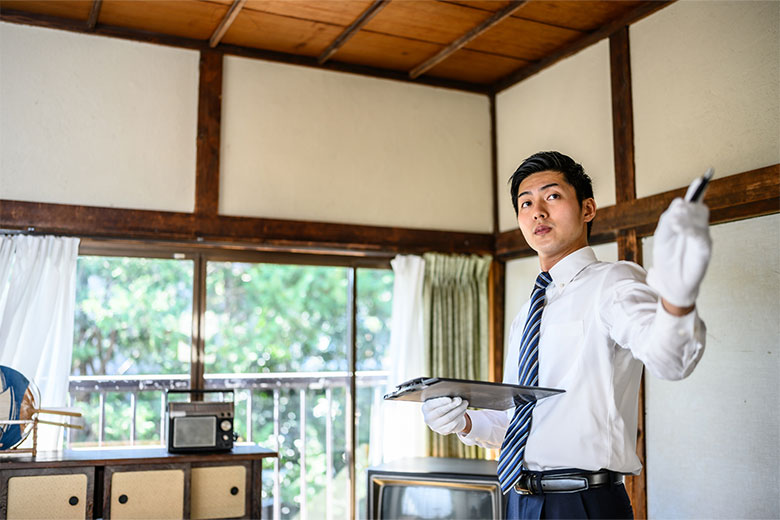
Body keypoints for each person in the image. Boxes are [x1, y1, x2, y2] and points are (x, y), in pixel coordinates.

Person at [421, 151, 711, 519]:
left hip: (583, 503)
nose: (537, 211)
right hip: (519, 500)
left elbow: (670, 359)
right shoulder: (528, 312)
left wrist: (678, 297)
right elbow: (521, 421)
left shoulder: (614, 281)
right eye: (526, 203)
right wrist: (462, 421)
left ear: (588, 209)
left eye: (552, 196)